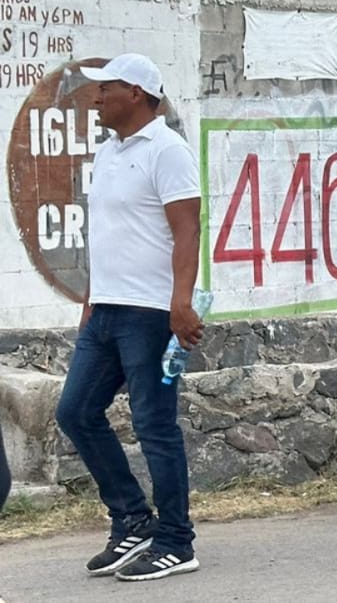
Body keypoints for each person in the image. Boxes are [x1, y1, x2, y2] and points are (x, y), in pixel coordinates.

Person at [55, 53, 202, 582]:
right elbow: (109, 235)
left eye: (105, 89)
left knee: (154, 426)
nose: (95, 99)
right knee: (75, 412)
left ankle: (176, 540)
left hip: (151, 313)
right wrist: (91, 299)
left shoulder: (168, 150)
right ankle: (132, 519)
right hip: (106, 312)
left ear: (135, 93)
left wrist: (180, 303)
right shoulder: (111, 152)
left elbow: (188, 231)